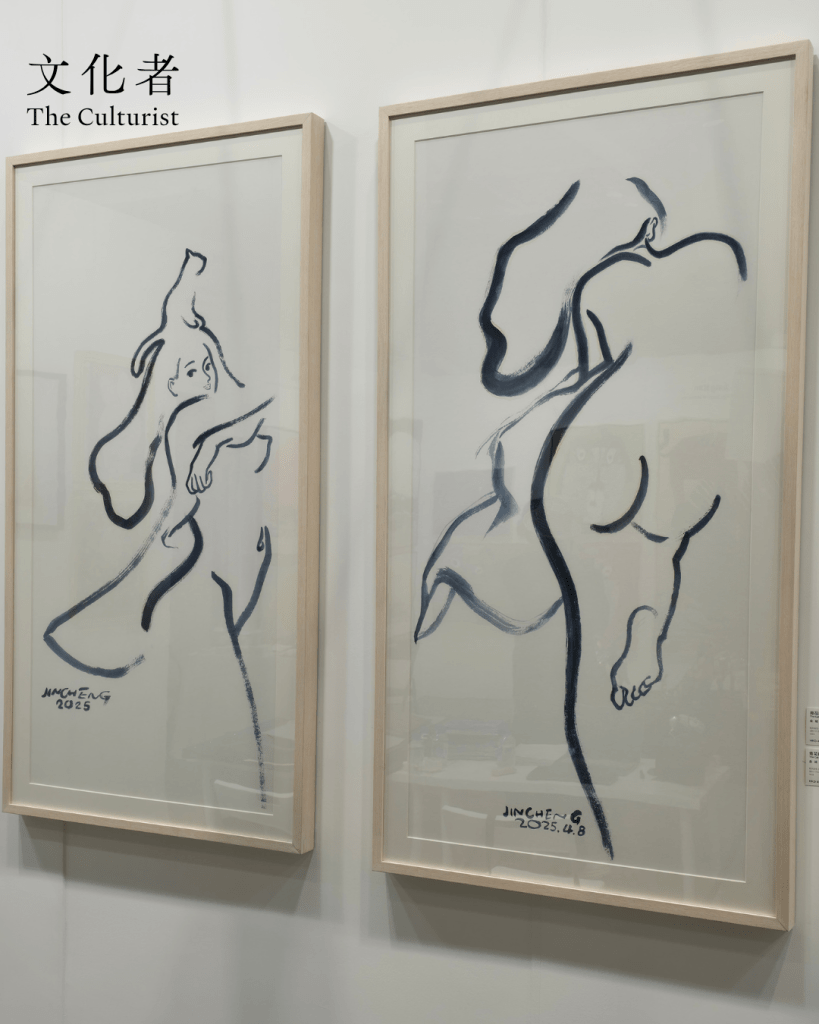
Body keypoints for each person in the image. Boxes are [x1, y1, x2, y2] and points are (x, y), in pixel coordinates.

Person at [413, 178, 747, 858]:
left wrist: (643, 636)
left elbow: (659, 544)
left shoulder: (639, 314)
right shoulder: (593, 343)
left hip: (580, 672)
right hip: (547, 679)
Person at [44, 250, 275, 802]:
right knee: (207, 678)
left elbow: (257, 411)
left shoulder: (202, 419)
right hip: (185, 562)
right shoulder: (183, 421)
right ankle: (224, 791)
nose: (203, 378)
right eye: (190, 372)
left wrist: (190, 277)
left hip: (194, 562)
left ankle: (217, 788)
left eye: (206, 368)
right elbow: (252, 415)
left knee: (206, 679)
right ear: (170, 382)